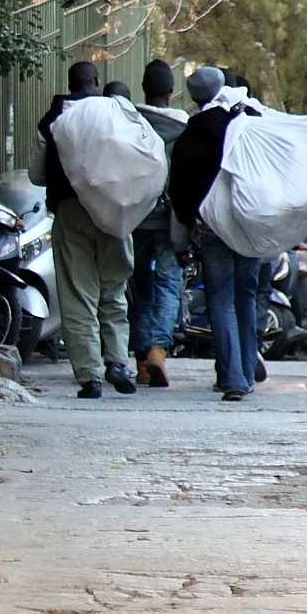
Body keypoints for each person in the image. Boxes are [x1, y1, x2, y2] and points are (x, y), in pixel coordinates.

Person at [33, 60, 136, 399]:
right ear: (95, 81)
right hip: (113, 209)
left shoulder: (52, 121)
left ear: (70, 83)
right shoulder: (115, 114)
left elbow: (36, 175)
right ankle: (118, 361)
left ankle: (89, 376)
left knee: (78, 295)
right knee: (114, 289)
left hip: (70, 210)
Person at [168, 66, 263, 401]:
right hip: (250, 224)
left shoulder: (191, 135)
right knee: (246, 296)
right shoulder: (249, 122)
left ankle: (232, 377)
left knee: (220, 299)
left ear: (193, 97)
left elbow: (178, 188)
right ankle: (248, 367)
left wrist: (189, 221)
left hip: (212, 227)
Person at [129, 59, 188, 386]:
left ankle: (140, 361)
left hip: (135, 219)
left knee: (139, 288)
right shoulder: (184, 130)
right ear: (171, 91)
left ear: (144, 88)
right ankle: (157, 351)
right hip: (170, 223)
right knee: (168, 284)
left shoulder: (132, 125)